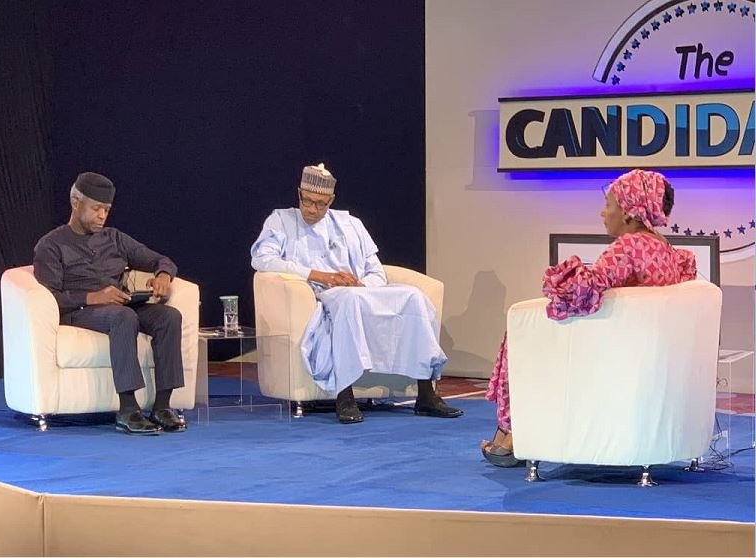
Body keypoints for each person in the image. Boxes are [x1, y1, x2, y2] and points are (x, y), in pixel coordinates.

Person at [481, 169, 697, 466]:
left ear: (631, 214)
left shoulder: (629, 246)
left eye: (609, 204)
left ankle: (512, 433)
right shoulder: (669, 251)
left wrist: (560, 283)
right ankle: (513, 433)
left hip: (609, 348)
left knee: (519, 333)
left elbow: (583, 289)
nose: (602, 212)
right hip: (642, 349)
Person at [251, 163, 463, 424]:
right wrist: (318, 275)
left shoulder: (350, 224)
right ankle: (345, 395)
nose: (311, 209)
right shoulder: (281, 220)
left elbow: (375, 270)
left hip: (359, 290)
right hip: (321, 293)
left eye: (320, 203)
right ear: (298, 194)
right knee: (348, 301)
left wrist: (363, 287)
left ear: (331, 201)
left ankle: (425, 394)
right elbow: (262, 260)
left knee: (414, 297)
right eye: (307, 201)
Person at [33, 172, 187, 435]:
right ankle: (128, 409)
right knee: (122, 317)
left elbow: (162, 259)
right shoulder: (51, 245)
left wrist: (162, 275)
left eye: (106, 210)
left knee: (168, 316)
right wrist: (92, 297)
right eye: (96, 209)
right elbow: (49, 298)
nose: (102, 216)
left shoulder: (114, 238)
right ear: (75, 202)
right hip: (80, 311)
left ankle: (162, 406)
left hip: (120, 305)